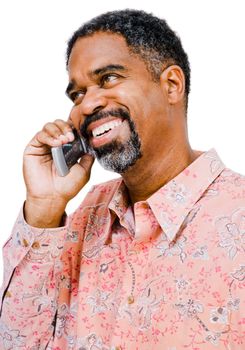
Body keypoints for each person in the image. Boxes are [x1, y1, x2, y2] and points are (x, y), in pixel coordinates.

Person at [0, 9, 244, 350]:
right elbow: (18, 342)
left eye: (109, 78)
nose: (87, 106)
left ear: (171, 85)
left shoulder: (239, 218)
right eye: (77, 93)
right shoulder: (83, 216)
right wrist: (44, 207)